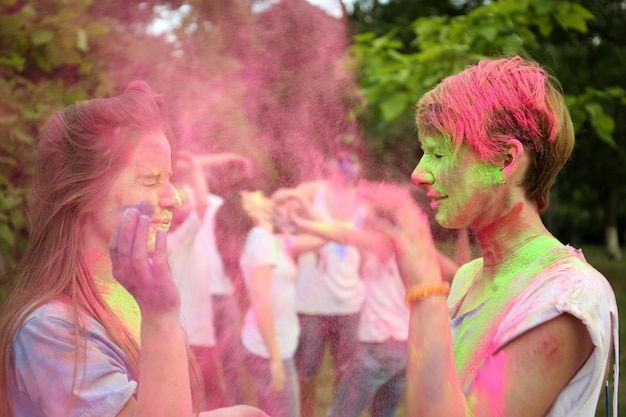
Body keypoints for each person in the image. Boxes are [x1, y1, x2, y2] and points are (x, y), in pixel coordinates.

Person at [360, 55, 619, 417]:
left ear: (505, 160)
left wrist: (426, 292)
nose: (419, 173)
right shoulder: (468, 278)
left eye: (438, 152)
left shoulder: (566, 297)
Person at [0, 81, 266, 417]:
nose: (174, 198)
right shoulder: (50, 332)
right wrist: (161, 319)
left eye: (169, 177)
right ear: (83, 194)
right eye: (152, 179)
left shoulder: (124, 299)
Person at [272, 148, 371, 417]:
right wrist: (290, 201)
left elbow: (364, 250)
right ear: (331, 165)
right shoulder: (312, 191)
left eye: (351, 162)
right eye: (340, 162)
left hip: (349, 303)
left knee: (346, 375)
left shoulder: (362, 199)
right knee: (306, 374)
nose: (345, 168)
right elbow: (279, 209)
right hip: (311, 305)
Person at [215, 189, 330, 417]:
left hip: (274, 347)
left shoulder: (274, 241)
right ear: (248, 208)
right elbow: (260, 301)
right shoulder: (261, 240)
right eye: (253, 194)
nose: (260, 193)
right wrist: (275, 359)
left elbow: (327, 235)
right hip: (268, 351)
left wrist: (301, 202)